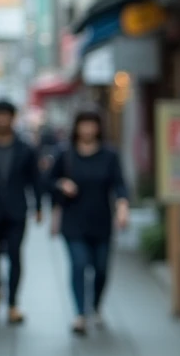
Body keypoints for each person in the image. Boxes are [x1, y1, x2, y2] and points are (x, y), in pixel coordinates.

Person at [47, 111, 129, 335]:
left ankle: (96, 305)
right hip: (73, 222)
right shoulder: (64, 154)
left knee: (101, 269)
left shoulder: (109, 155)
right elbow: (48, 182)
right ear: (77, 128)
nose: (88, 130)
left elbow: (120, 184)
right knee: (79, 264)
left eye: (92, 125)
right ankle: (80, 314)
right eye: (83, 125)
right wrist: (61, 184)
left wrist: (122, 207)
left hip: (101, 221)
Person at [0, 100, 43, 324]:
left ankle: (13, 303)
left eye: (6, 115)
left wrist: (38, 207)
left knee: (15, 255)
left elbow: (35, 179)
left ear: (13, 118)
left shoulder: (25, 148)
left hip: (16, 210)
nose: (1, 120)